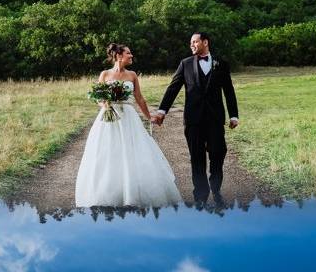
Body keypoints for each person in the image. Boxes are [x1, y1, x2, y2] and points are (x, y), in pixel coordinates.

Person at [74, 43, 183, 207]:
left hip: (128, 116)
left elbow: (139, 98)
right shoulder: (105, 74)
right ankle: (106, 194)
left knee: (132, 150)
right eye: (128, 53)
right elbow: (98, 98)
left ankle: (133, 194)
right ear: (118, 56)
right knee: (107, 152)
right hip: (108, 117)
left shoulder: (132, 75)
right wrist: (105, 105)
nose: (131, 56)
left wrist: (149, 117)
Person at [152, 33, 239, 206]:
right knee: (197, 158)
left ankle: (216, 189)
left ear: (205, 42)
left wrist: (234, 115)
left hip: (215, 119)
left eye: (195, 41)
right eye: (191, 42)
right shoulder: (185, 64)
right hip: (193, 120)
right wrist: (162, 111)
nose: (192, 45)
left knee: (218, 154)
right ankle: (200, 195)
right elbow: (173, 88)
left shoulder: (221, 64)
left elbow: (228, 91)